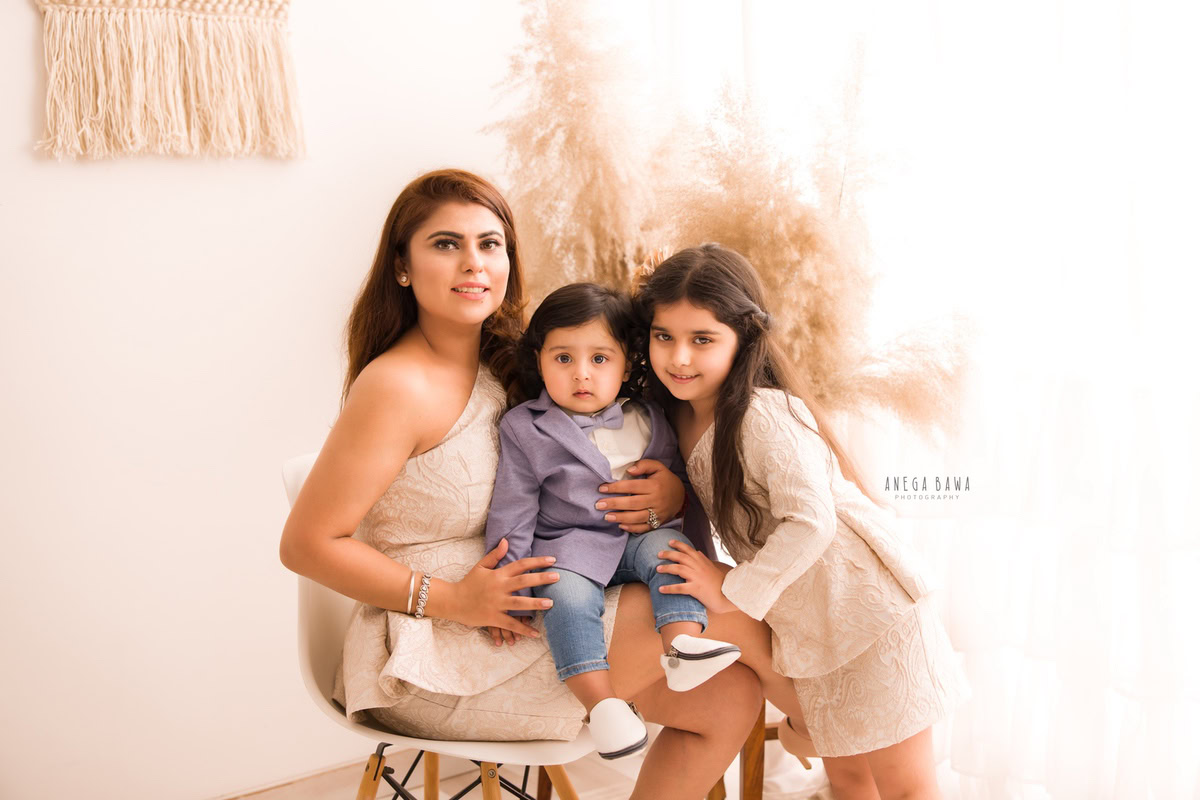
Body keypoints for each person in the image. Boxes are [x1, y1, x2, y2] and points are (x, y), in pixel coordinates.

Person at [277, 170, 770, 799]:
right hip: (438, 647)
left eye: (490, 243)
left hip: (535, 602)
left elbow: (597, 454)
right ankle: (831, 731)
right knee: (721, 606)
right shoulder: (395, 386)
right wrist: (455, 601)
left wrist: (668, 493)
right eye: (445, 244)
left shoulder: (509, 360)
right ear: (402, 266)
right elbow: (306, 545)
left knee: (730, 698)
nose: (473, 263)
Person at [634, 243, 972, 799]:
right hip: (817, 623)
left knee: (905, 787)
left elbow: (811, 521)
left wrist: (731, 588)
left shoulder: (764, 412)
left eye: (703, 340)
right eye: (664, 336)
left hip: (872, 611)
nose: (680, 358)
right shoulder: (678, 416)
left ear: (742, 338)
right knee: (849, 778)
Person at [484, 282, 741, 760]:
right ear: (539, 359)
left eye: (600, 359)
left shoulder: (649, 416)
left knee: (673, 553)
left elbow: (683, 487)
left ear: (627, 362)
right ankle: (602, 706)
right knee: (564, 596)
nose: (582, 374)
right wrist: (508, 583)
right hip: (570, 547)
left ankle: (683, 642)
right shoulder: (524, 426)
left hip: (639, 537)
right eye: (563, 359)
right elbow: (512, 509)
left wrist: (680, 502)